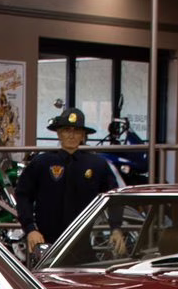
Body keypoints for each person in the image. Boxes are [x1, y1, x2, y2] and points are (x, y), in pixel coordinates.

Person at [16, 108, 116, 253]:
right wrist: (30, 229)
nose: (71, 135)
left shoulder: (97, 165)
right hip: (46, 241)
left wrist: (116, 228)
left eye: (76, 131)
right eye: (66, 130)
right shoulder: (42, 163)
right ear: (58, 133)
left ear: (83, 135)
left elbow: (112, 197)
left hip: (84, 241)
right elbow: (23, 195)